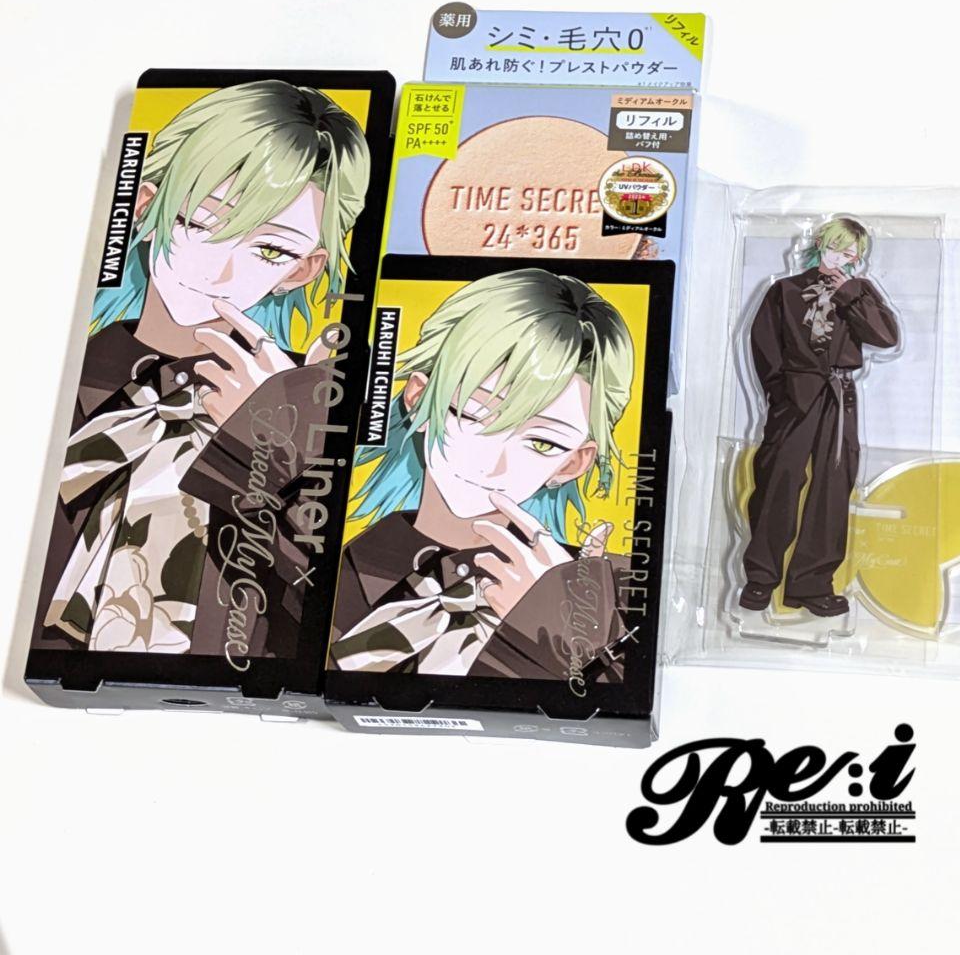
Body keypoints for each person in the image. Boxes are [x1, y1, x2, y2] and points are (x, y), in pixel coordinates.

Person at [36, 80, 371, 660]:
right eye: (205, 222)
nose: (223, 271)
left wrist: (270, 451)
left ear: (303, 269)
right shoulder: (65, 371)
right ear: (146, 205)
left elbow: (332, 634)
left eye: (270, 251)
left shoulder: (318, 404)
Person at [330, 268, 635, 683]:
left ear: (573, 463)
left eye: (542, 443)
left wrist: (555, 635)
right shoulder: (322, 567)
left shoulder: (618, 591)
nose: (493, 464)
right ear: (418, 399)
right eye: (473, 416)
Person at [739, 216, 899, 617]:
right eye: (838, 248)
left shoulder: (860, 292)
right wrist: (780, 392)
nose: (843, 258)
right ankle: (761, 577)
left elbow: (885, 337)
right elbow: (764, 344)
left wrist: (850, 295)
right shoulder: (785, 290)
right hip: (793, 397)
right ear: (821, 245)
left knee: (833, 484)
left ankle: (811, 584)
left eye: (852, 253)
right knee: (778, 479)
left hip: (839, 397)